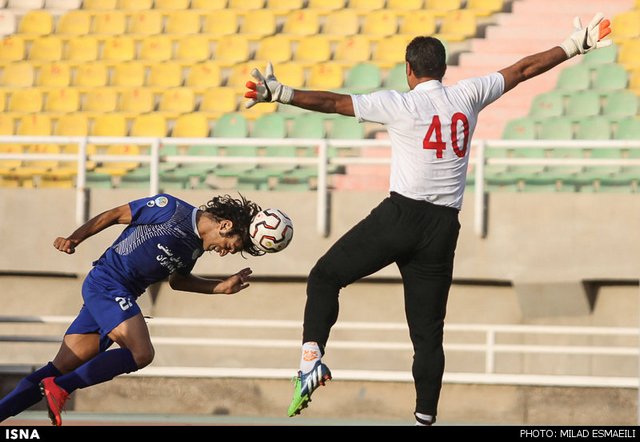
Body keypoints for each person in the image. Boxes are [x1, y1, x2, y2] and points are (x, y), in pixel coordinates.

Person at [245, 13, 611, 425]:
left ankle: (312, 359)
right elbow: (524, 69)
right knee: (427, 335)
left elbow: (333, 103)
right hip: (442, 228)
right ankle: (425, 419)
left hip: (401, 215)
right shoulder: (469, 94)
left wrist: (280, 92)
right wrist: (575, 45)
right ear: (444, 69)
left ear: (409, 69)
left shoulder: (399, 103)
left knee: (325, 276)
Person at [0, 193, 265, 426]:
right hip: (107, 284)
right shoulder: (171, 209)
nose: (223, 253)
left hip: (117, 296)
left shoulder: (194, 249)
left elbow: (178, 281)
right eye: (231, 246)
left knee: (56, 369)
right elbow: (116, 214)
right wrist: (75, 239)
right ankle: (62, 388)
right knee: (141, 353)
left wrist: (220, 287)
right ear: (225, 225)